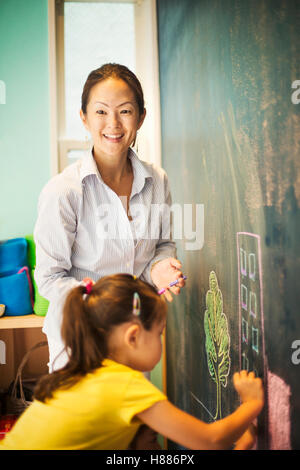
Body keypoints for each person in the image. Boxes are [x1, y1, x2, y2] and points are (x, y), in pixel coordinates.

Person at [33, 63, 185, 372]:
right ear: (84, 118)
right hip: (80, 340)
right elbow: (49, 279)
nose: (113, 123)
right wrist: (100, 301)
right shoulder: (64, 191)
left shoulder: (158, 180)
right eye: (101, 111)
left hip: (134, 338)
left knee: (127, 419)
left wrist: (159, 268)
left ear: (141, 117)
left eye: (125, 111)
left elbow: (164, 245)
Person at [0, 274, 264, 450]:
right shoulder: (124, 385)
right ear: (134, 336)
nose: (162, 341)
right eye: (159, 333)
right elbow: (211, 440)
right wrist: (251, 404)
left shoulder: (83, 374)